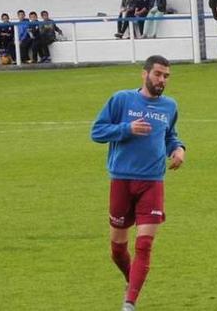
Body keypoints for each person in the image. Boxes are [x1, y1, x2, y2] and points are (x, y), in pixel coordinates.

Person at [90, 55, 186, 311]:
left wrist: (177, 149)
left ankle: (129, 303)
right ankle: (130, 280)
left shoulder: (170, 106)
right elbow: (97, 132)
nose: (162, 80)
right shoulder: (121, 99)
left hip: (153, 182)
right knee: (117, 249)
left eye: (166, 76)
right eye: (157, 74)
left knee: (144, 244)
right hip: (121, 179)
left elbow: (170, 136)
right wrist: (126, 129)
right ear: (144, 74)